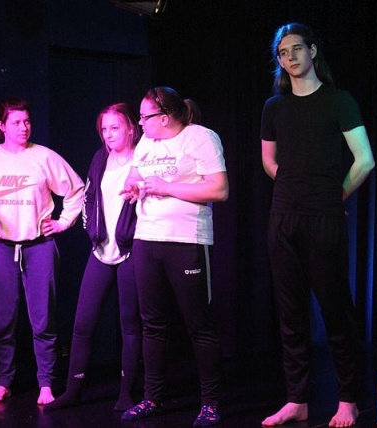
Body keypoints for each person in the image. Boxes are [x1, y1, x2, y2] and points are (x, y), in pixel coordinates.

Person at [259, 23, 375, 428]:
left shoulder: (339, 101)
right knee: (290, 313)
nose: (290, 57)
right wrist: (296, 188)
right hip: (283, 217)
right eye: (282, 52)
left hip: (323, 217)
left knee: (335, 310)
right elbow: (269, 161)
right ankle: (297, 400)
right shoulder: (274, 107)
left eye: (296, 49)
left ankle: (349, 400)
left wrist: (331, 196)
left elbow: (364, 160)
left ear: (312, 51)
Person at [119, 87, 229, 427]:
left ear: (165, 118)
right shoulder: (146, 143)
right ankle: (152, 397)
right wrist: (133, 186)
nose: (140, 122)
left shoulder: (201, 138)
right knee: (152, 324)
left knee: (199, 325)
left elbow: (219, 189)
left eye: (145, 117)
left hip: (186, 241)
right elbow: (135, 175)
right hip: (147, 239)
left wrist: (165, 187)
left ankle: (210, 403)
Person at [0, 97, 84, 406]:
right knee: (3, 320)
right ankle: (3, 382)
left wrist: (63, 222)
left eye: (27, 121)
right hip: (1, 247)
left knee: (43, 319)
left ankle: (46, 383)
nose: (24, 127)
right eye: (16, 122)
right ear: (1, 126)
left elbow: (75, 190)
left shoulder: (44, 157)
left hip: (39, 245)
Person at [43, 103, 142, 412]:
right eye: (104, 129)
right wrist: (92, 230)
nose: (108, 134)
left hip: (131, 251)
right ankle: (73, 390)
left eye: (115, 128)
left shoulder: (143, 158)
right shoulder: (101, 158)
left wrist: (134, 238)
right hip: (101, 249)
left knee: (130, 326)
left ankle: (126, 393)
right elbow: (88, 197)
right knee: (83, 323)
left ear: (130, 128)